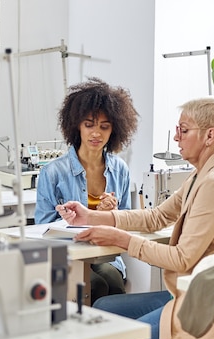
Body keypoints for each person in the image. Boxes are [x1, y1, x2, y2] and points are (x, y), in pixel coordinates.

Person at [43, 96, 214, 339]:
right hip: (189, 293)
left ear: (210, 136)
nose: (176, 137)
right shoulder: (201, 175)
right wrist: (93, 216)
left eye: (184, 130)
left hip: (210, 305)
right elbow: (155, 217)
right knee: (102, 310)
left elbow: (182, 258)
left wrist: (121, 239)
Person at [35, 77, 139, 305]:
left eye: (105, 126)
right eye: (89, 125)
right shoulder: (53, 172)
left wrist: (112, 215)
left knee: (113, 279)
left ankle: (116, 338)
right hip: (67, 255)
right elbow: (41, 228)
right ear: (76, 125)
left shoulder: (119, 169)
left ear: (115, 130)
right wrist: (67, 221)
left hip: (104, 254)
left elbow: (130, 221)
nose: (96, 133)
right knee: (97, 286)